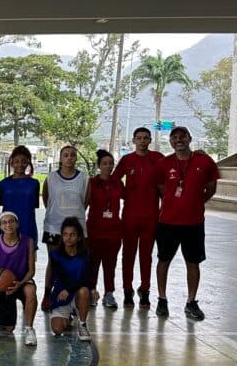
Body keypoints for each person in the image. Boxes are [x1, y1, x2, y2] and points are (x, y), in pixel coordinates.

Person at [154, 126, 220, 321]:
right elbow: (161, 189)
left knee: (193, 262)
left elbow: (211, 188)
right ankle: (162, 299)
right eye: (174, 137)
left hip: (194, 223)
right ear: (171, 142)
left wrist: (195, 202)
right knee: (163, 260)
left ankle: (191, 302)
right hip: (168, 222)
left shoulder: (204, 161)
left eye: (182, 136)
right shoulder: (163, 164)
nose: (178, 140)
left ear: (190, 138)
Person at [113, 127, 164, 309]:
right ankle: (127, 289)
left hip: (151, 216)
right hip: (130, 216)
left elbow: (170, 173)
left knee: (146, 255)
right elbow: (115, 179)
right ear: (134, 141)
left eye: (145, 138)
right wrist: (124, 193)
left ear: (150, 140)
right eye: (139, 138)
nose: (142, 141)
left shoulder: (158, 158)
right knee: (128, 254)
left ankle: (145, 289)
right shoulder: (127, 160)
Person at [41, 145, 90, 311]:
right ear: (60, 158)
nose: (69, 158)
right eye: (66, 155)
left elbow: (85, 201)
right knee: (54, 261)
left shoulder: (83, 178)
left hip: (76, 228)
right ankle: (48, 294)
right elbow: (46, 198)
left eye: (72, 155)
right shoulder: (51, 177)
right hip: (54, 226)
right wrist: (58, 215)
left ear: (76, 158)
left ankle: (75, 295)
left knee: (77, 261)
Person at [0, 211, 38, 346]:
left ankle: (29, 329)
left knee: (30, 292)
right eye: (4, 222)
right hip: (5, 284)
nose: (8, 225)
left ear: (17, 224)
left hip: (22, 280)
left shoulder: (28, 241)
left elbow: (31, 271)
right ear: (0, 226)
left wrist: (19, 283)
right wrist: (0, 280)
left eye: (11, 221)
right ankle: (7, 316)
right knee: (8, 328)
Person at [86, 149, 125, 309]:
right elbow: (84, 204)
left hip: (114, 231)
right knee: (93, 264)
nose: (108, 166)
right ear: (99, 166)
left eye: (111, 164)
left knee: (110, 264)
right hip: (94, 230)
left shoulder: (118, 183)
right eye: (105, 164)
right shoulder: (91, 183)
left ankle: (109, 293)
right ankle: (91, 292)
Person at [48, 217, 92, 341]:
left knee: (84, 291)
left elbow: (87, 279)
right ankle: (68, 316)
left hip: (77, 294)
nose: (68, 238)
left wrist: (70, 289)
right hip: (62, 295)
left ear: (78, 237)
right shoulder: (56, 255)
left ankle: (82, 324)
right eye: (65, 234)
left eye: (72, 235)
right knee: (57, 330)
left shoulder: (86, 254)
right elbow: (62, 277)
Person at [0, 145, 40, 247]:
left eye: (23, 161)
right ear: (11, 162)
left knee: (28, 260)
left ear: (28, 163)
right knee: (6, 261)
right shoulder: (3, 183)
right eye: (16, 161)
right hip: (7, 228)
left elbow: (33, 206)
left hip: (28, 227)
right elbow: (4, 206)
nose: (20, 164)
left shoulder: (34, 183)